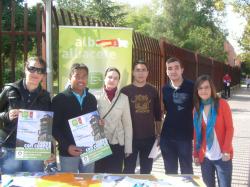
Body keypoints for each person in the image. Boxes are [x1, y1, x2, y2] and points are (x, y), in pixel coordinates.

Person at [0, 57, 51, 174]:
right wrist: (6, 116)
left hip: (34, 150)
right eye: (32, 69)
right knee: (12, 182)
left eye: (40, 70)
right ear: (25, 69)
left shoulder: (45, 96)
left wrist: (49, 151)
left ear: (43, 75)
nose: (35, 73)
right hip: (10, 147)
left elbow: (47, 126)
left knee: (34, 182)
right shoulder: (10, 90)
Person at [52, 63, 97, 173]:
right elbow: (53, 127)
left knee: (88, 182)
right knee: (69, 183)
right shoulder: (60, 99)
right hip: (68, 152)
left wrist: (98, 123)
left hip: (90, 151)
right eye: (77, 76)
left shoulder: (92, 99)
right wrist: (67, 146)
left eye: (84, 76)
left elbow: (93, 122)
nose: (81, 79)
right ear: (70, 77)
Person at [121, 60, 162, 174]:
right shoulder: (125, 91)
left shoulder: (153, 90)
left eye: (143, 70)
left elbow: (158, 114)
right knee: (128, 169)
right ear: (133, 72)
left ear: (147, 73)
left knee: (146, 170)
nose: (141, 73)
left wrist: (158, 134)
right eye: (138, 70)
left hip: (149, 138)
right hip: (130, 139)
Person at [193, 74, 234, 187]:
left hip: (222, 156)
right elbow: (196, 133)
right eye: (200, 88)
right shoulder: (197, 109)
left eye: (206, 87)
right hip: (205, 157)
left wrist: (226, 150)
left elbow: (229, 129)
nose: (203, 90)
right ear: (197, 91)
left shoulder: (222, 104)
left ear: (212, 88)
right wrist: (196, 154)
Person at [94, 67, 132, 173]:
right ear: (105, 78)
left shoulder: (124, 98)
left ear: (118, 81)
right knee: (98, 175)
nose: (112, 80)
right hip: (100, 143)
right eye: (110, 77)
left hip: (117, 143)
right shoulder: (95, 96)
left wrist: (128, 147)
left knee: (115, 176)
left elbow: (127, 124)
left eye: (115, 78)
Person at [160, 57, 194, 174]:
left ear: (182, 70)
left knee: (187, 171)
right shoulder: (165, 89)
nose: (173, 71)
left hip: (185, 137)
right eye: (170, 68)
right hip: (167, 137)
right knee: (170, 172)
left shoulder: (192, 87)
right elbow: (166, 110)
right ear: (166, 72)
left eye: (176, 68)